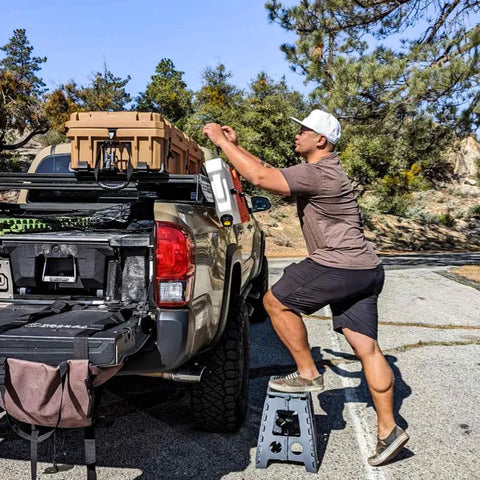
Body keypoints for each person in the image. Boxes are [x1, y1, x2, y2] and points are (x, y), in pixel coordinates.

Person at [202, 109, 409, 466]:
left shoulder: (320, 173)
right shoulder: (325, 171)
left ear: (321, 140)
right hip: (367, 268)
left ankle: (308, 372)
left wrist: (220, 142)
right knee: (367, 349)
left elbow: (261, 177)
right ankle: (389, 430)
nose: (297, 134)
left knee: (275, 301)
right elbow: (268, 170)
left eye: (304, 130)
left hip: (339, 264)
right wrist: (237, 146)